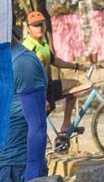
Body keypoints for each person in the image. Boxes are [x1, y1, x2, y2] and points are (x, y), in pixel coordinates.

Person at [0, 30, 48, 182]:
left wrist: (32, 177)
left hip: (19, 170)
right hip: (1, 168)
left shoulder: (23, 63)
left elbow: (37, 124)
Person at [20, 11, 89, 152]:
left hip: (49, 85)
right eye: (35, 25)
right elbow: (28, 76)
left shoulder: (43, 44)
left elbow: (54, 61)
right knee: (33, 126)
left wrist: (76, 66)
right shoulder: (27, 47)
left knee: (75, 85)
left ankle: (66, 125)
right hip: (38, 91)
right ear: (28, 28)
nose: (40, 28)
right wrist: (42, 97)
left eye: (41, 24)